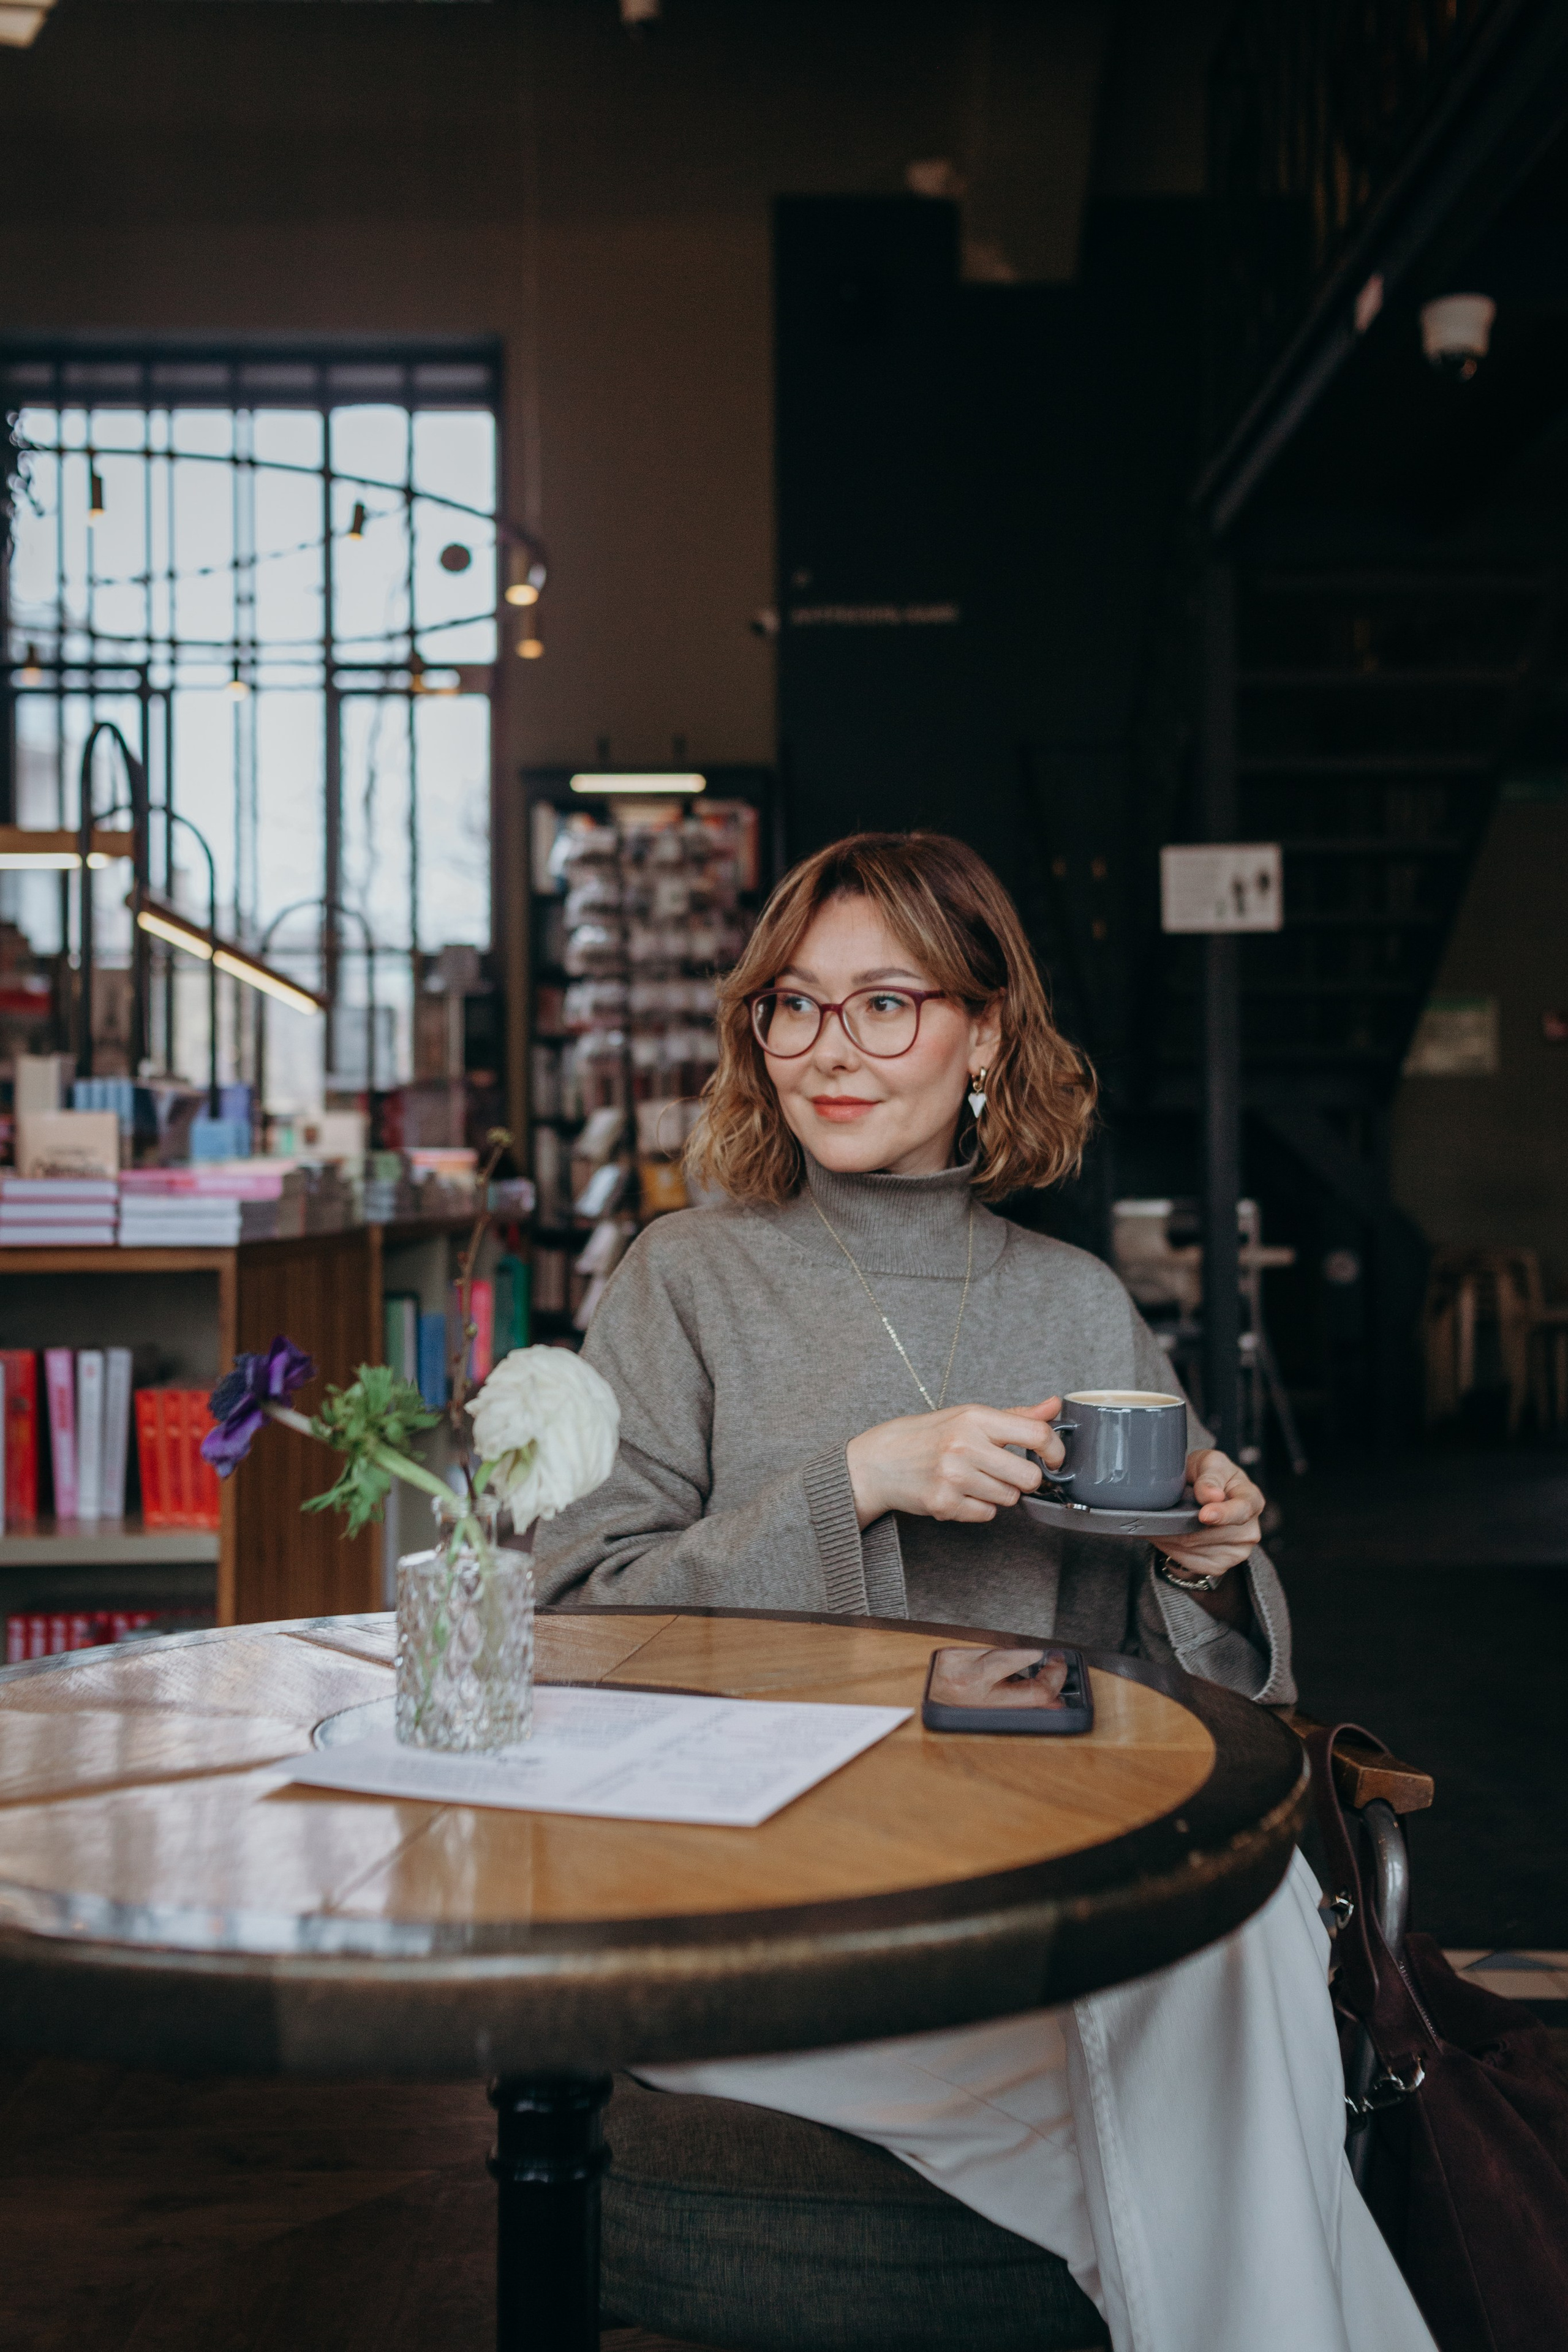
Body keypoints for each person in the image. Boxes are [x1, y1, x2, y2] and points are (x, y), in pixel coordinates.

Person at [534, 831, 1436, 2352]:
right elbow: (578, 1614)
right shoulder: (682, 1280)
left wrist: (1208, 1565)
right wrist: (853, 1483)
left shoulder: (1071, 1300)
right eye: (792, 1005)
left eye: (885, 1004)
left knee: (1242, 1927)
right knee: (1238, 2080)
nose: (828, 1049)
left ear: (984, 1035)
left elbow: (1210, 1690)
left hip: (1042, 1897)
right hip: (768, 1907)